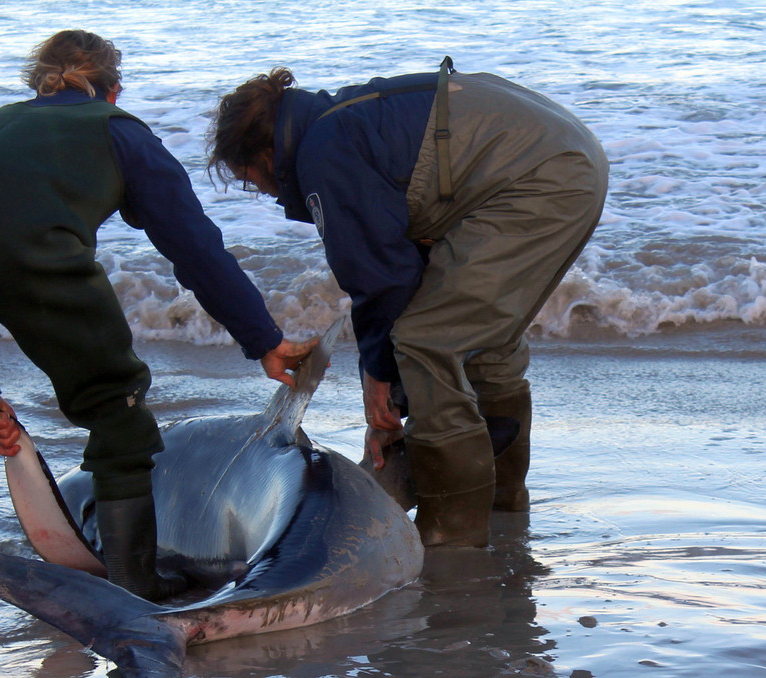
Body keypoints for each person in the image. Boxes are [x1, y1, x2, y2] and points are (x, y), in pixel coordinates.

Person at [0, 30, 316, 605]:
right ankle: (136, 584)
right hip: (26, 245)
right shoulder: (119, 131)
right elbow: (194, 250)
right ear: (114, 92)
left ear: (35, 87)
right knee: (116, 407)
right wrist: (263, 340)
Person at [208, 59, 608, 548]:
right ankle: (503, 508)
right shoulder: (340, 123)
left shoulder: (324, 151)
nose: (265, 194)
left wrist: (378, 381)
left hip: (534, 179)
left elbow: (380, 281)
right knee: (482, 344)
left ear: (263, 154)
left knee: (426, 344)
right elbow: (406, 269)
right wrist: (393, 400)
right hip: (565, 158)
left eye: (250, 179)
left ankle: (451, 538)